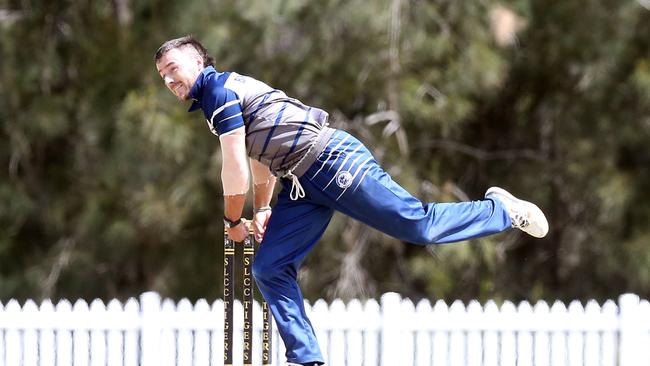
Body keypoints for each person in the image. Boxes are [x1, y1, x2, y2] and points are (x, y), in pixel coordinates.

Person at [154, 35, 549, 366]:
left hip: (331, 159)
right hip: (301, 181)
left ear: (199, 60)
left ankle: (499, 209)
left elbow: (235, 165)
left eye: (173, 68)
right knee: (270, 267)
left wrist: (232, 220)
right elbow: (260, 159)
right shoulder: (216, 101)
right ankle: (306, 359)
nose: (169, 80)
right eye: (162, 76)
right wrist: (264, 209)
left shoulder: (220, 91)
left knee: (418, 226)